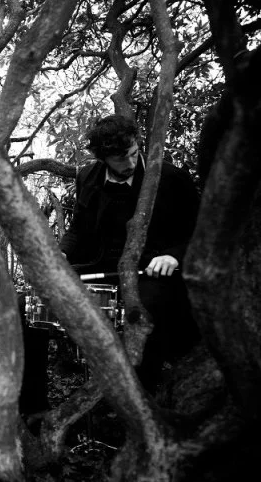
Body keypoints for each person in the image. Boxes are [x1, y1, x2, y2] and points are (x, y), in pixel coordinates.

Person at [59, 114, 201, 391]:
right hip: (99, 270)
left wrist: (172, 256)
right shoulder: (87, 177)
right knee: (23, 307)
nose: (132, 163)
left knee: (143, 311)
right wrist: (61, 254)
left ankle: (142, 399)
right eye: (121, 159)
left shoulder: (171, 178)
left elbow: (198, 232)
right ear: (103, 158)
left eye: (134, 153)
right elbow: (78, 227)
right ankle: (33, 410)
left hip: (150, 274)